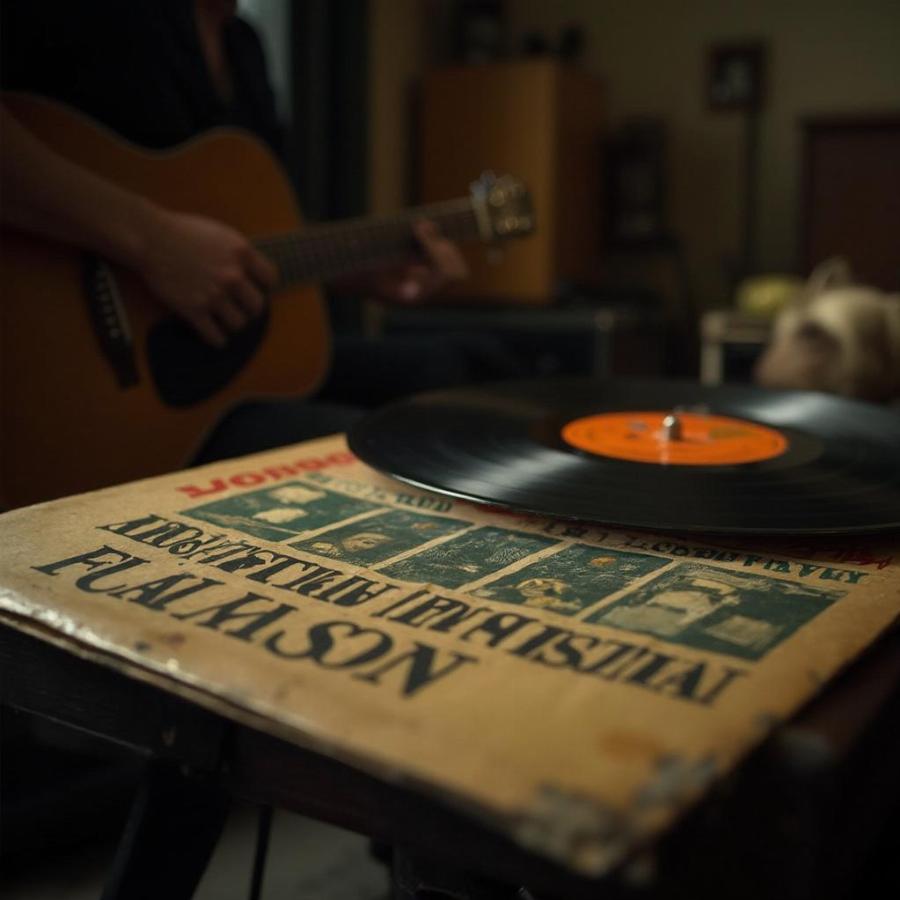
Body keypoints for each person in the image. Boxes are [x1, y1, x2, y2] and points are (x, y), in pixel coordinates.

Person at [0, 0, 477, 465]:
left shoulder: (242, 46)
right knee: (396, 453)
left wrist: (360, 272)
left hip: (215, 368)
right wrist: (150, 240)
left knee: (461, 365)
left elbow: (241, 248)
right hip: (87, 397)